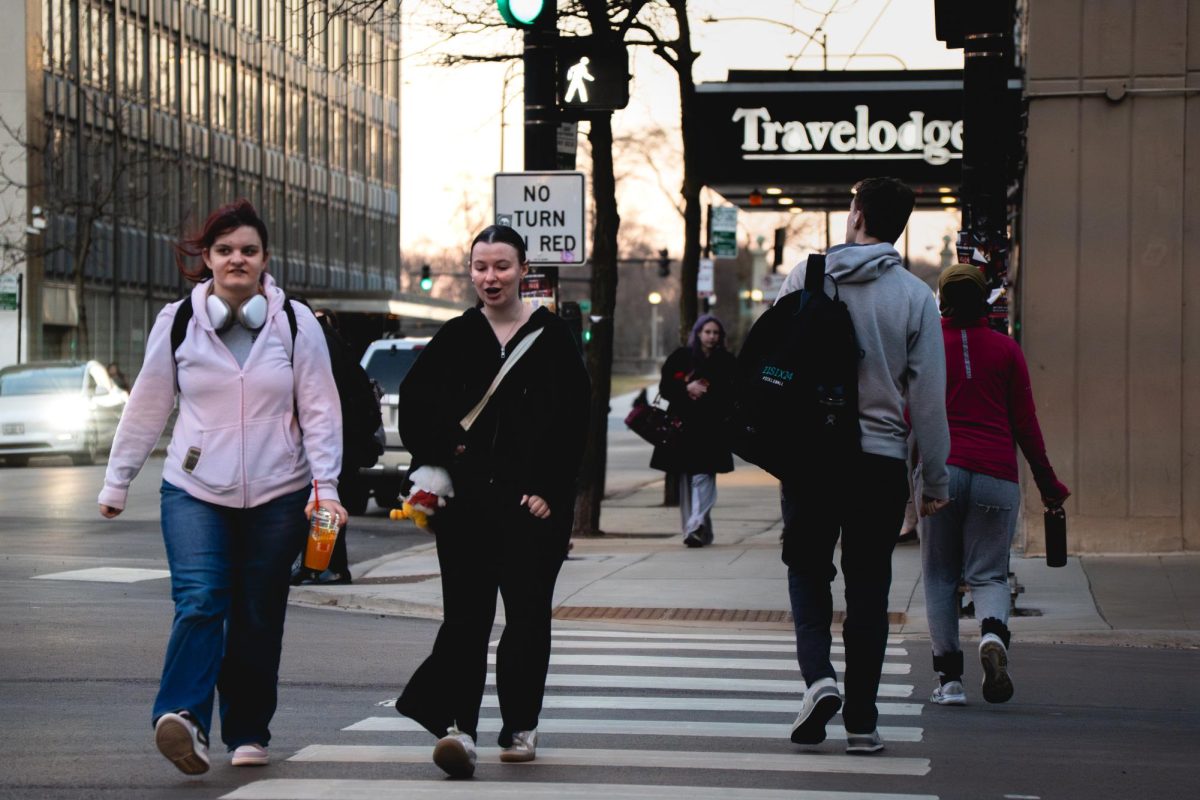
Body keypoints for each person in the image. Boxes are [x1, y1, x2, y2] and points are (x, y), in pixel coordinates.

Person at [97, 199, 346, 775]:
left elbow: (320, 407)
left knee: (259, 614)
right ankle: (182, 717)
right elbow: (149, 403)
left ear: (264, 260)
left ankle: (248, 730)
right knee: (201, 600)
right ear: (206, 258)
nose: (238, 259)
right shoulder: (177, 321)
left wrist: (325, 485)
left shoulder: (295, 321)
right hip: (193, 489)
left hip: (279, 492)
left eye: (249, 250)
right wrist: (118, 479)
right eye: (225, 250)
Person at [392, 224, 590, 779]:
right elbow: (416, 408)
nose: (490, 277)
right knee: (466, 621)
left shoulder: (552, 340)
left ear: (524, 271)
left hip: (532, 509)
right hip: (468, 508)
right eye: (480, 267)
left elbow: (574, 423)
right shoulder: (456, 336)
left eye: (502, 266)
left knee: (526, 621)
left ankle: (519, 727)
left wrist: (552, 491)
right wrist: (445, 455)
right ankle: (459, 729)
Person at [774, 177, 950, 755]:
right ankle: (862, 723)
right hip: (878, 460)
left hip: (811, 457)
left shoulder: (807, 276)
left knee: (807, 568)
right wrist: (933, 479)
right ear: (898, 226)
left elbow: (775, 358)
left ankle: (818, 677)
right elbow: (927, 401)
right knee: (870, 586)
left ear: (856, 214)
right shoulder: (916, 297)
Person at [922, 264, 1070, 706]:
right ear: (985, 299)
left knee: (940, 577)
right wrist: (1048, 484)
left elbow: (912, 416)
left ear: (942, 301)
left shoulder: (928, 349)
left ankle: (949, 681)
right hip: (996, 475)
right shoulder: (1007, 350)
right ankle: (992, 636)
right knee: (988, 573)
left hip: (941, 474)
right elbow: (1026, 425)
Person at [291, 307, 383, 586]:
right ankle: (318, 566)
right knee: (325, 505)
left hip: (337, 440)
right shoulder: (335, 343)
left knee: (324, 506)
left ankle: (326, 567)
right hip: (346, 439)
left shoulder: (322, 346)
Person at [649, 314, 736, 547]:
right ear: (698, 333)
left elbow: (733, 392)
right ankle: (696, 529)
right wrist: (686, 387)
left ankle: (696, 525)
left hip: (712, 430)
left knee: (704, 477)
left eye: (716, 333)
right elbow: (665, 387)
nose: (711, 336)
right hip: (684, 429)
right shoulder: (681, 357)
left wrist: (710, 394)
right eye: (707, 332)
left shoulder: (726, 361)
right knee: (688, 481)